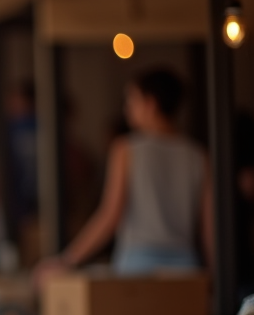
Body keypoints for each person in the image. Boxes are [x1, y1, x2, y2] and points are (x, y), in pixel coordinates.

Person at [37, 69, 211, 280]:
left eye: (132, 100)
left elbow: (110, 216)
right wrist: (214, 275)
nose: (127, 109)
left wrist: (67, 261)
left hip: (138, 268)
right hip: (186, 267)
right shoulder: (198, 156)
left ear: (151, 103)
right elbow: (209, 226)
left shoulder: (126, 150)